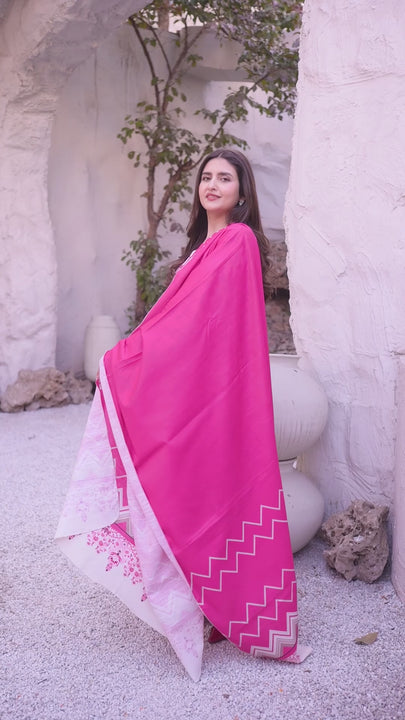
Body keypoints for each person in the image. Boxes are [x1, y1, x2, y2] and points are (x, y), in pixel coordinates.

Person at [55, 148, 310, 681]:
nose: (212, 185)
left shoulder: (237, 241)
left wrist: (127, 357)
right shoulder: (200, 249)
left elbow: (201, 327)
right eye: (206, 177)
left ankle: (230, 606)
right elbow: (177, 323)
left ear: (242, 192)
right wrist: (131, 357)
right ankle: (202, 603)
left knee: (212, 491)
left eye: (225, 178)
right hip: (194, 393)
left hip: (217, 396)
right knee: (183, 487)